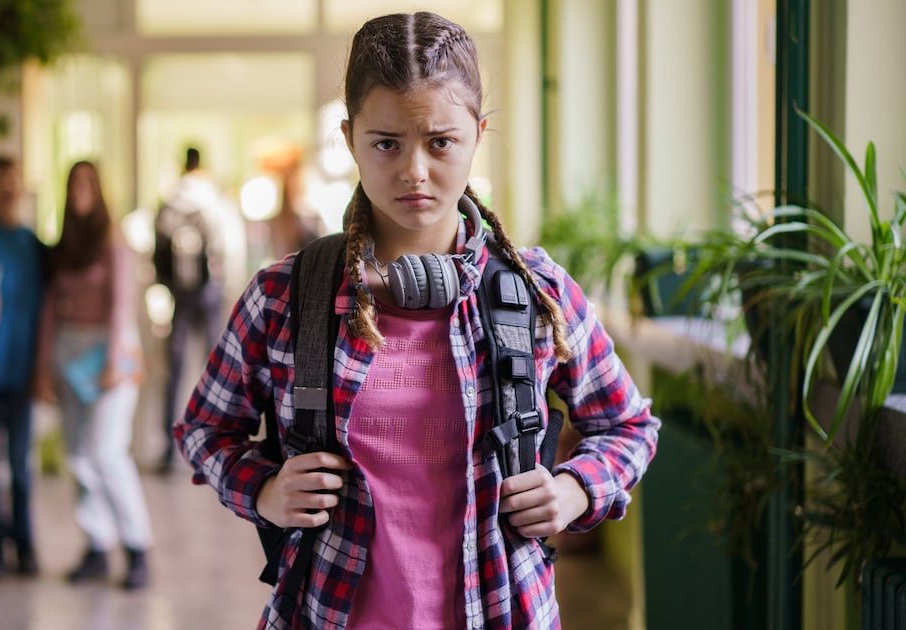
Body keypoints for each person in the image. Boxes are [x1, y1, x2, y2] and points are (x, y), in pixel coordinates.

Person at [174, 12, 660, 629]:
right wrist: (265, 491)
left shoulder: (536, 292)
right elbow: (205, 430)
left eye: (440, 142)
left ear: (477, 134)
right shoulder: (284, 297)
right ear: (350, 138)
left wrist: (575, 490)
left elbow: (628, 426)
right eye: (386, 143)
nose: (414, 172)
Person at [35, 161, 153, 589]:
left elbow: (122, 302)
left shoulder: (112, 240)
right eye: (74, 183)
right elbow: (50, 308)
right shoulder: (64, 245)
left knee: (106, 452)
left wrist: (114, 360)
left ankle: (137, 547)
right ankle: (97, 545)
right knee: (78, 456)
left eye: (88, 182)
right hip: (68, 353)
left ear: (100, 190)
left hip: (111, 354)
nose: (80, 189)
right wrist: (43, 368)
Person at [0, 155, 45, 577]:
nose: (7, 188)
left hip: (21, 376)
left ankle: (25, 544)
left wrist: (39, 371)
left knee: (19, 467)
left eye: (13, 180)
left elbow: (43, 313)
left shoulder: (33, 246)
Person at [153, 147, 228, 472]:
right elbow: (224, 249)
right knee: (216, 372)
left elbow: (157, 250)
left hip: (180, 295)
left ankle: (169, 451)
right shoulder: (212, 199)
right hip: (209, 293)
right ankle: (218, 448)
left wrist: (167, 285)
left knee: (175, 371)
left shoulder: (170, 202)